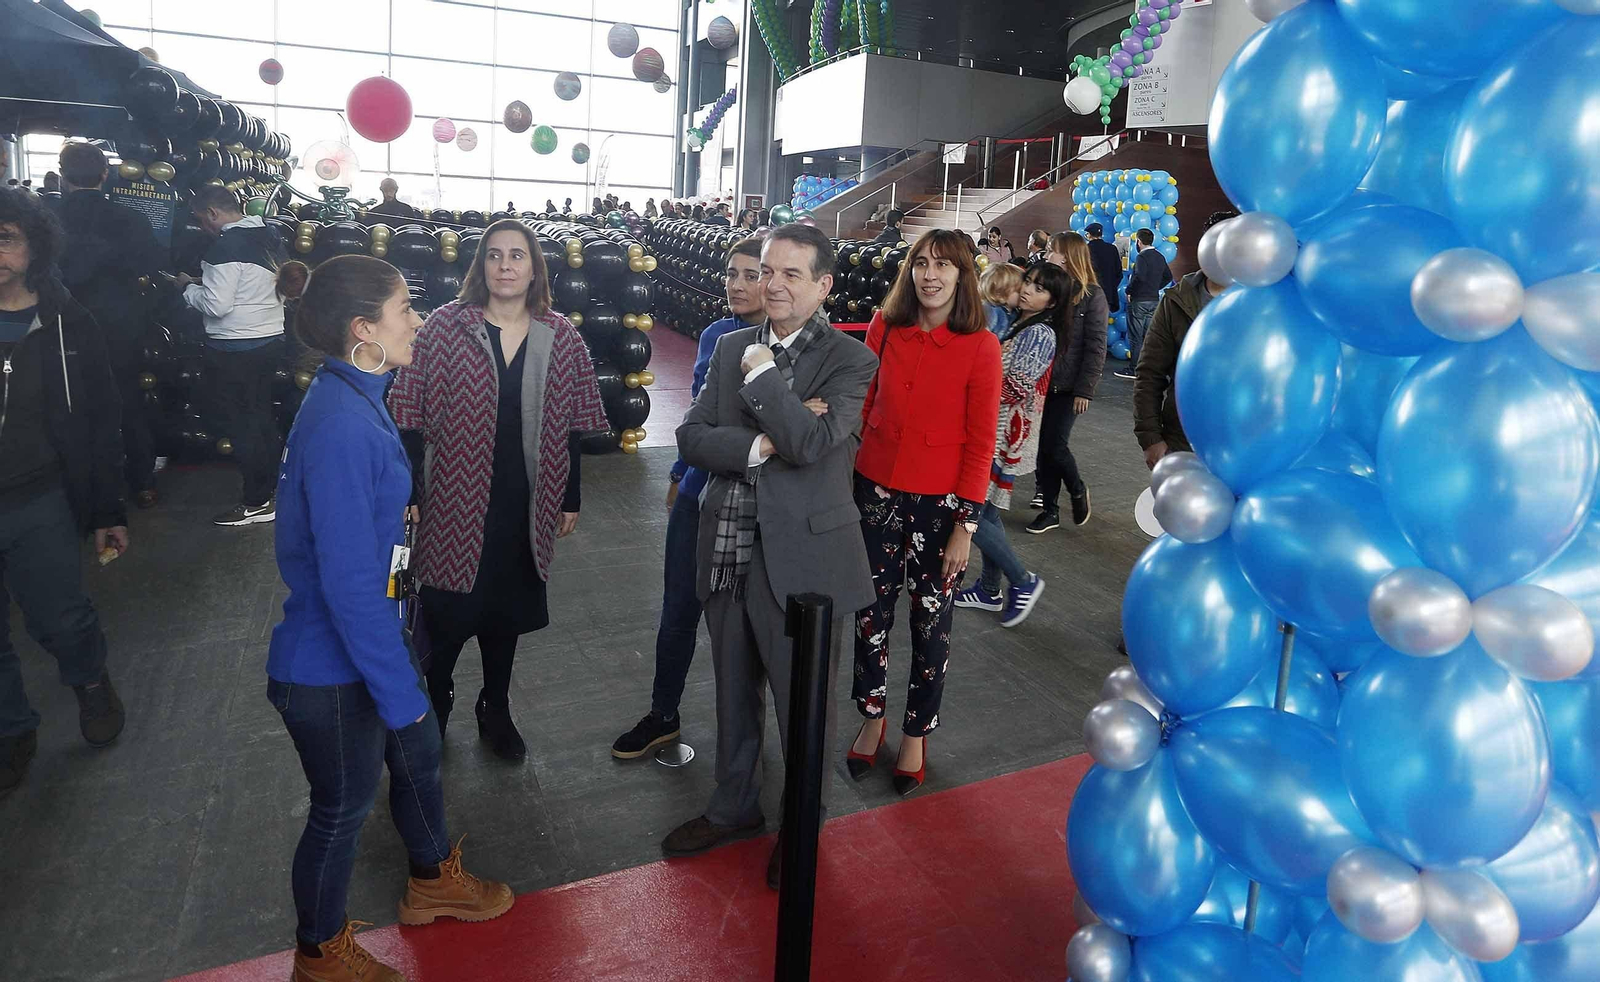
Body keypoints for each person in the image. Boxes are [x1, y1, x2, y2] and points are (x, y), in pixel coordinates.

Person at [269, 254, 513, 982]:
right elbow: (349, 587)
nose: (418, 320)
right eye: (406, 308)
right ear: (364, 329)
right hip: (330, 665)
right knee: (340, 811)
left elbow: (376, 554)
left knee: (419, 759)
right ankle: (319, 951)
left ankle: (433, 880)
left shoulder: (360, 394)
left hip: (378, 638)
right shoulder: (342, 425)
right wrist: (399, 691)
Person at [663, 224, 878, 890]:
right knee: (734, 692)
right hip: (727, 545)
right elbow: (692, 437)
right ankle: (734, 806)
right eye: (766, 271)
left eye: (790, 274)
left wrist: (762, 380)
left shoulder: (850, 360)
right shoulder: (730, 345)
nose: (772, 285)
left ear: (824, 285)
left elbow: (812, 445)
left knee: (804, 704)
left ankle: (802, 825)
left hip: (806, 560)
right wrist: (762, 443)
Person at [388, 219, 608, 762]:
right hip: (451, 498)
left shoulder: (560, 335)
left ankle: (496, 706)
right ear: (480, 265)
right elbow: (408, 414)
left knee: (505, 613)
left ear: (535, 269)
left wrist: (571, 496)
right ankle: (435, 701)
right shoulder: (444, 327)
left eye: (517, 255)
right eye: (494, 255)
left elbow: (574, 424)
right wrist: (410, 489)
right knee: (445, 612)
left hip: (526, 500)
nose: (505, 265)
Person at [847, 230, 1000, 796]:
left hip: (940, 507)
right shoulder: (883, 327)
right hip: (874, 493)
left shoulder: (981, 346)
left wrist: (966, 526)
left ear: (963, 276)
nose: (930, 275)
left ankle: (916, 731)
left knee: (930, 624)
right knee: (870, 614)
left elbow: (981, 443)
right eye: (921, 263)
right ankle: (871, 716)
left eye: (943, 265)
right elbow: (863, 404)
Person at [612, 236, 766, 759]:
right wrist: (680, 471)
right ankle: (663, 714)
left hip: (753, 503)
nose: (736, 285)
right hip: (699, 491)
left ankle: (745, 732)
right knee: (678, 608)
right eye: (731, 274)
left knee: (745, 624)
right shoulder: (717, 335)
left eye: (751, 275)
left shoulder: (789, 346)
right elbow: (698, 414)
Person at [0, 187, 128, 797]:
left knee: (60, 617)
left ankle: (90, 679)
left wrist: (107, 508)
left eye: (6, 239)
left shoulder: (66, 323)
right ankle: (11, 729)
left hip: (37, 497)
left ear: (35, 247)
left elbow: (100, 420)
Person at [53, 142, 165, 509]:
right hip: (120, 323)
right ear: (105, 174)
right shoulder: (130, 218)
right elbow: (151, 264)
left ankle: (76, 486)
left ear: (62, 175)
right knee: (127, 400)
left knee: (66, 403)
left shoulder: (47, 218)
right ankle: (142, 482)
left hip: (61, 321)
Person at [955, 261, 1062, 628]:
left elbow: (1014, 386)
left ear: (1052, 301)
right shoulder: (1016, 323)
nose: (1028, 290)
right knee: (987, 512)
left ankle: (1022, 579)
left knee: (970, 510)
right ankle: (989, 588)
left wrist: (963, 390)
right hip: (992, 428)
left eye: (1039, 288)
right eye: (1027, 282)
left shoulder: (1040, 334)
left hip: (1002, 433)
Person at [176, 184, 289, 527]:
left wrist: (188, 288)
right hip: (270, 338)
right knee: (262, 418)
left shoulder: (224, 248)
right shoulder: (270, 236)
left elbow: (217, 305)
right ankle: (272, 489)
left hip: (236, 346)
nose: (203, 227)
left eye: (201, 220)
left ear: (212, 213)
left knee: (244, 426)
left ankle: (255, 502)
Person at [1135, 211, 1237, 470]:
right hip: (1183, 441)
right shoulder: (1177, 300)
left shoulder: (1264, 301)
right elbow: (1150, 372)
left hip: (1247, 444)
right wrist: (1150, 437)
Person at [1029, 233, 1107, 533]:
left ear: (1068, 257)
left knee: (1055, 444)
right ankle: (1049, 509)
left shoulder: (1092, 296)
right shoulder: (1050, 290)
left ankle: (1077, 488)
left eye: (1052, 251)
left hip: (1069, 386)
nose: (1047, 255)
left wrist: (1085, 390)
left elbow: (1096, 346)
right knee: (1042, 447)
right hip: (1041, 382)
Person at [1119, 227, 1172, 379]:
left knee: (1135, 337)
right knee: (1148, 337)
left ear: (1139, 242)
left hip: (1139, 301)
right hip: (1154, 300)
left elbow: (1140, 276)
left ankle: (1134, 369)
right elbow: (1168, 276)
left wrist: (1129, 290)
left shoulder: (1142, 257)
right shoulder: (1160, 256)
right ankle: (1146, 368)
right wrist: (1155, 287)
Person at [1084, 223, 1122, 315]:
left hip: (1089, 293)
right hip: (1108, 294)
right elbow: (1118, 273)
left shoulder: (1085, 249)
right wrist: (1111, 286)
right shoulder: (1112, 249)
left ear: (1089, 235)